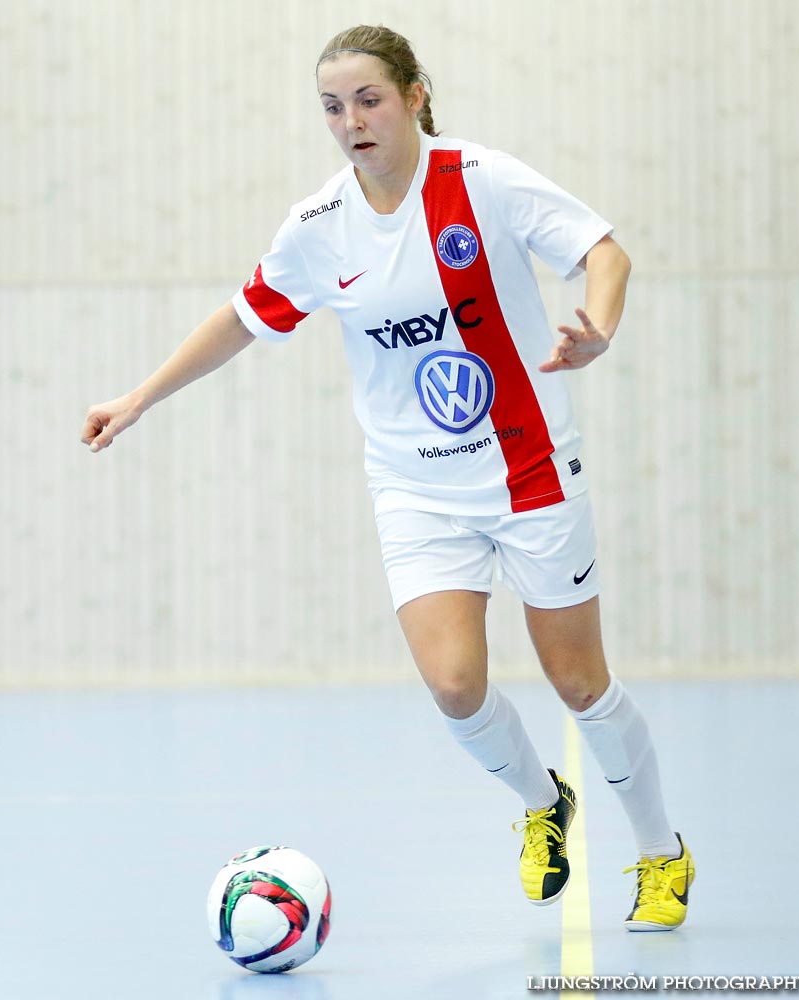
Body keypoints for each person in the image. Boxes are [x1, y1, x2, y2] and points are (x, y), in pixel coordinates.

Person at [81, 24, 694, 931]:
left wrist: (598, 326)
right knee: (454, 685)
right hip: (416, 489)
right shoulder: (321, 227)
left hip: (527, 469)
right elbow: (245, 317)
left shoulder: (480, 181)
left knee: (578, 684)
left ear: (412, 95)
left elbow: (605, 251)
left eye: (367, 99)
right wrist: (141, 396)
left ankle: (659, 853)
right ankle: (543, 803)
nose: (350, 121)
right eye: (332, 107)